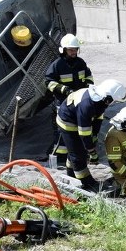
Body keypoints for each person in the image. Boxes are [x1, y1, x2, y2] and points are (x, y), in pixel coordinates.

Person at [56, 79, 126, 192]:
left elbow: (98, 118)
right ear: (108, 99)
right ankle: (86, 182)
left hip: (78, 120)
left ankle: (71, 174)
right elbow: (84, 133)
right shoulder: (87, 105)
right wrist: (91, 151)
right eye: (114, 100)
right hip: (68, 122)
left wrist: (94, 136)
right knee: (78, 154)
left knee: (76, 150)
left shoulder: (100, 99)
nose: (114, 103)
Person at [44, 34, 94, 168]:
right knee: (62, 130)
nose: (74, 52)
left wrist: (88, 86)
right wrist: (64, 89)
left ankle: (77, 152)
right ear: (63, 50)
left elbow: (88, 75)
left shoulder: (80, 63)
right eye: (71, 49)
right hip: (63, 103)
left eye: (75, 49)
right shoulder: (57, 65)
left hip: (79, 102)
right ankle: (60, 156)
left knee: (80, 127)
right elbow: (49, 82)